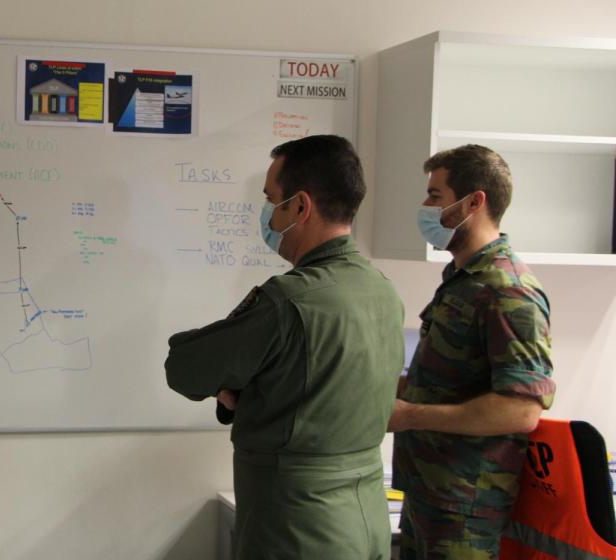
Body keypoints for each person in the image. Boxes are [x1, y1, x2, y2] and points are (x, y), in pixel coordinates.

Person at [165, 134, 405, 559]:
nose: (267, 215)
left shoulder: (289, 300)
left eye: (270, 200)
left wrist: (238, 387)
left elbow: (185, 367)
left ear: (300, 206)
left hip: (300, 528)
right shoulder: (382, 291)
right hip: (365, 521)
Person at [389, 144, 555, 559]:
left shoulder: (507, 289)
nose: (426, 207)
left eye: (435, 196)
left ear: (474, 202)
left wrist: (409, 415)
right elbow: (441, 383)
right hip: (429, 495)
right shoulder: (462, 280)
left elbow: (522, 410)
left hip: (466, 511)